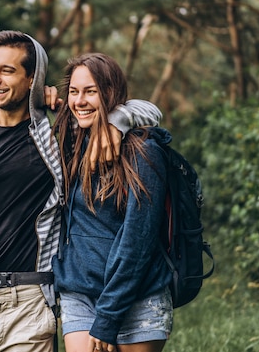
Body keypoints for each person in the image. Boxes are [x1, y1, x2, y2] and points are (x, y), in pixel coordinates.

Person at [0, 31, 162, 352]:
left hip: (29, 301)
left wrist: (116, 120)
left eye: (7, 70)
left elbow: (148, 111)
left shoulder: (57, 135)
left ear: (32, 79)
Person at [52, 53, 173, 352]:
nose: (79, 101)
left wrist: (108, 317)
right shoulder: (71, 141)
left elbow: (138, 242)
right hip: (79, 293)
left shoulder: (143, 152)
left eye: (90, 91)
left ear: (110, 94)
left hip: (138, 295)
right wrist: (41, 94)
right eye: (74, 91)